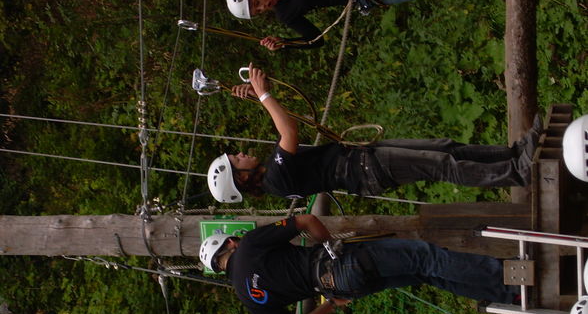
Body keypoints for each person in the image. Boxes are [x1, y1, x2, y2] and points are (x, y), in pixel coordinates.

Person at [207, 64, 542, 203]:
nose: (240, 153)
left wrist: (259, 96)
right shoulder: (276, 181)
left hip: (361, 156)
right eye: (236, 159)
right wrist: (264, 94)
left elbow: (285, 125)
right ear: (243, 176)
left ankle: (514, 152)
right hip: (366, 169)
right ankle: (517, 172)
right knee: (442, 163)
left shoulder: (272, 170)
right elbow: (288, 132)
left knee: (445, 147)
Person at [199, 214, 520, 314]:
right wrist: (327, 243)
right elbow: (306, 220)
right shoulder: (251, 245)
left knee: (426, 273)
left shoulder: (246, 298)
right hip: (341, 261)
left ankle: (508, 295)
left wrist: (330, 304)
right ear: (229, 243)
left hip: (341, 286)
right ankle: (511, 278)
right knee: (428, 257)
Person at [225, 0, 505, 50]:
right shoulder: (286, 14)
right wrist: (286, 42)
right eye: (258, 11)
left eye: (257, 2)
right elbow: (316, 40)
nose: (263, 7)